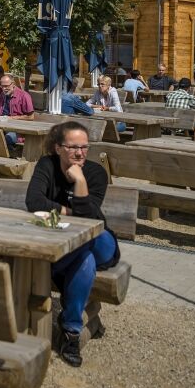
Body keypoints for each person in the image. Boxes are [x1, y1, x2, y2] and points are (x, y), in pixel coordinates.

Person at [25, 121, 119, 367]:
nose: (80, 153)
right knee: (83, 261)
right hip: (68, 247)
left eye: (84, 147)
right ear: (58, 148)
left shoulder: (95, 173)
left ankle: (48, 274)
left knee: (87, 247)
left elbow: (89, 219)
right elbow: (34, 202)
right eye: (73, 147)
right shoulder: (47, 165)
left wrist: (79, 181)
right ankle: (71, 331)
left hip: (99, 242)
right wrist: (71, 211)